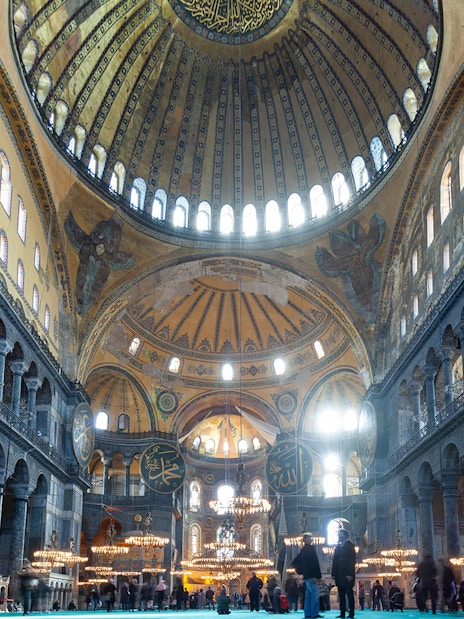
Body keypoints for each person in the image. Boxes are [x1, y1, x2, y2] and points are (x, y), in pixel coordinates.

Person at [291, 532, 322, 619]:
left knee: (308, 595)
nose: (311, 539)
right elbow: (313, 564)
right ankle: (314, 613)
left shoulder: (303, 550)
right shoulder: (309, 550)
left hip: (307, 575)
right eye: (309, 538)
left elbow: (296, 562)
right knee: (315, 595)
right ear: (305, 540)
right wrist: (316, 576)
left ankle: (308, 613)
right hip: (311, 576)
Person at [331, 529, 356, 619]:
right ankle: (342, 613)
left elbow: (352, 561)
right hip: (339, 575)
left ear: (345, 536)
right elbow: (335, 561)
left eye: (341, 535)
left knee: (349, 595)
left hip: (347, 575)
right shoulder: (338, 547)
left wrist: (350, 574)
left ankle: (351, 613)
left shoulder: (350, 546)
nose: (339, 536)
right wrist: (333, 573)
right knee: (341, 595)